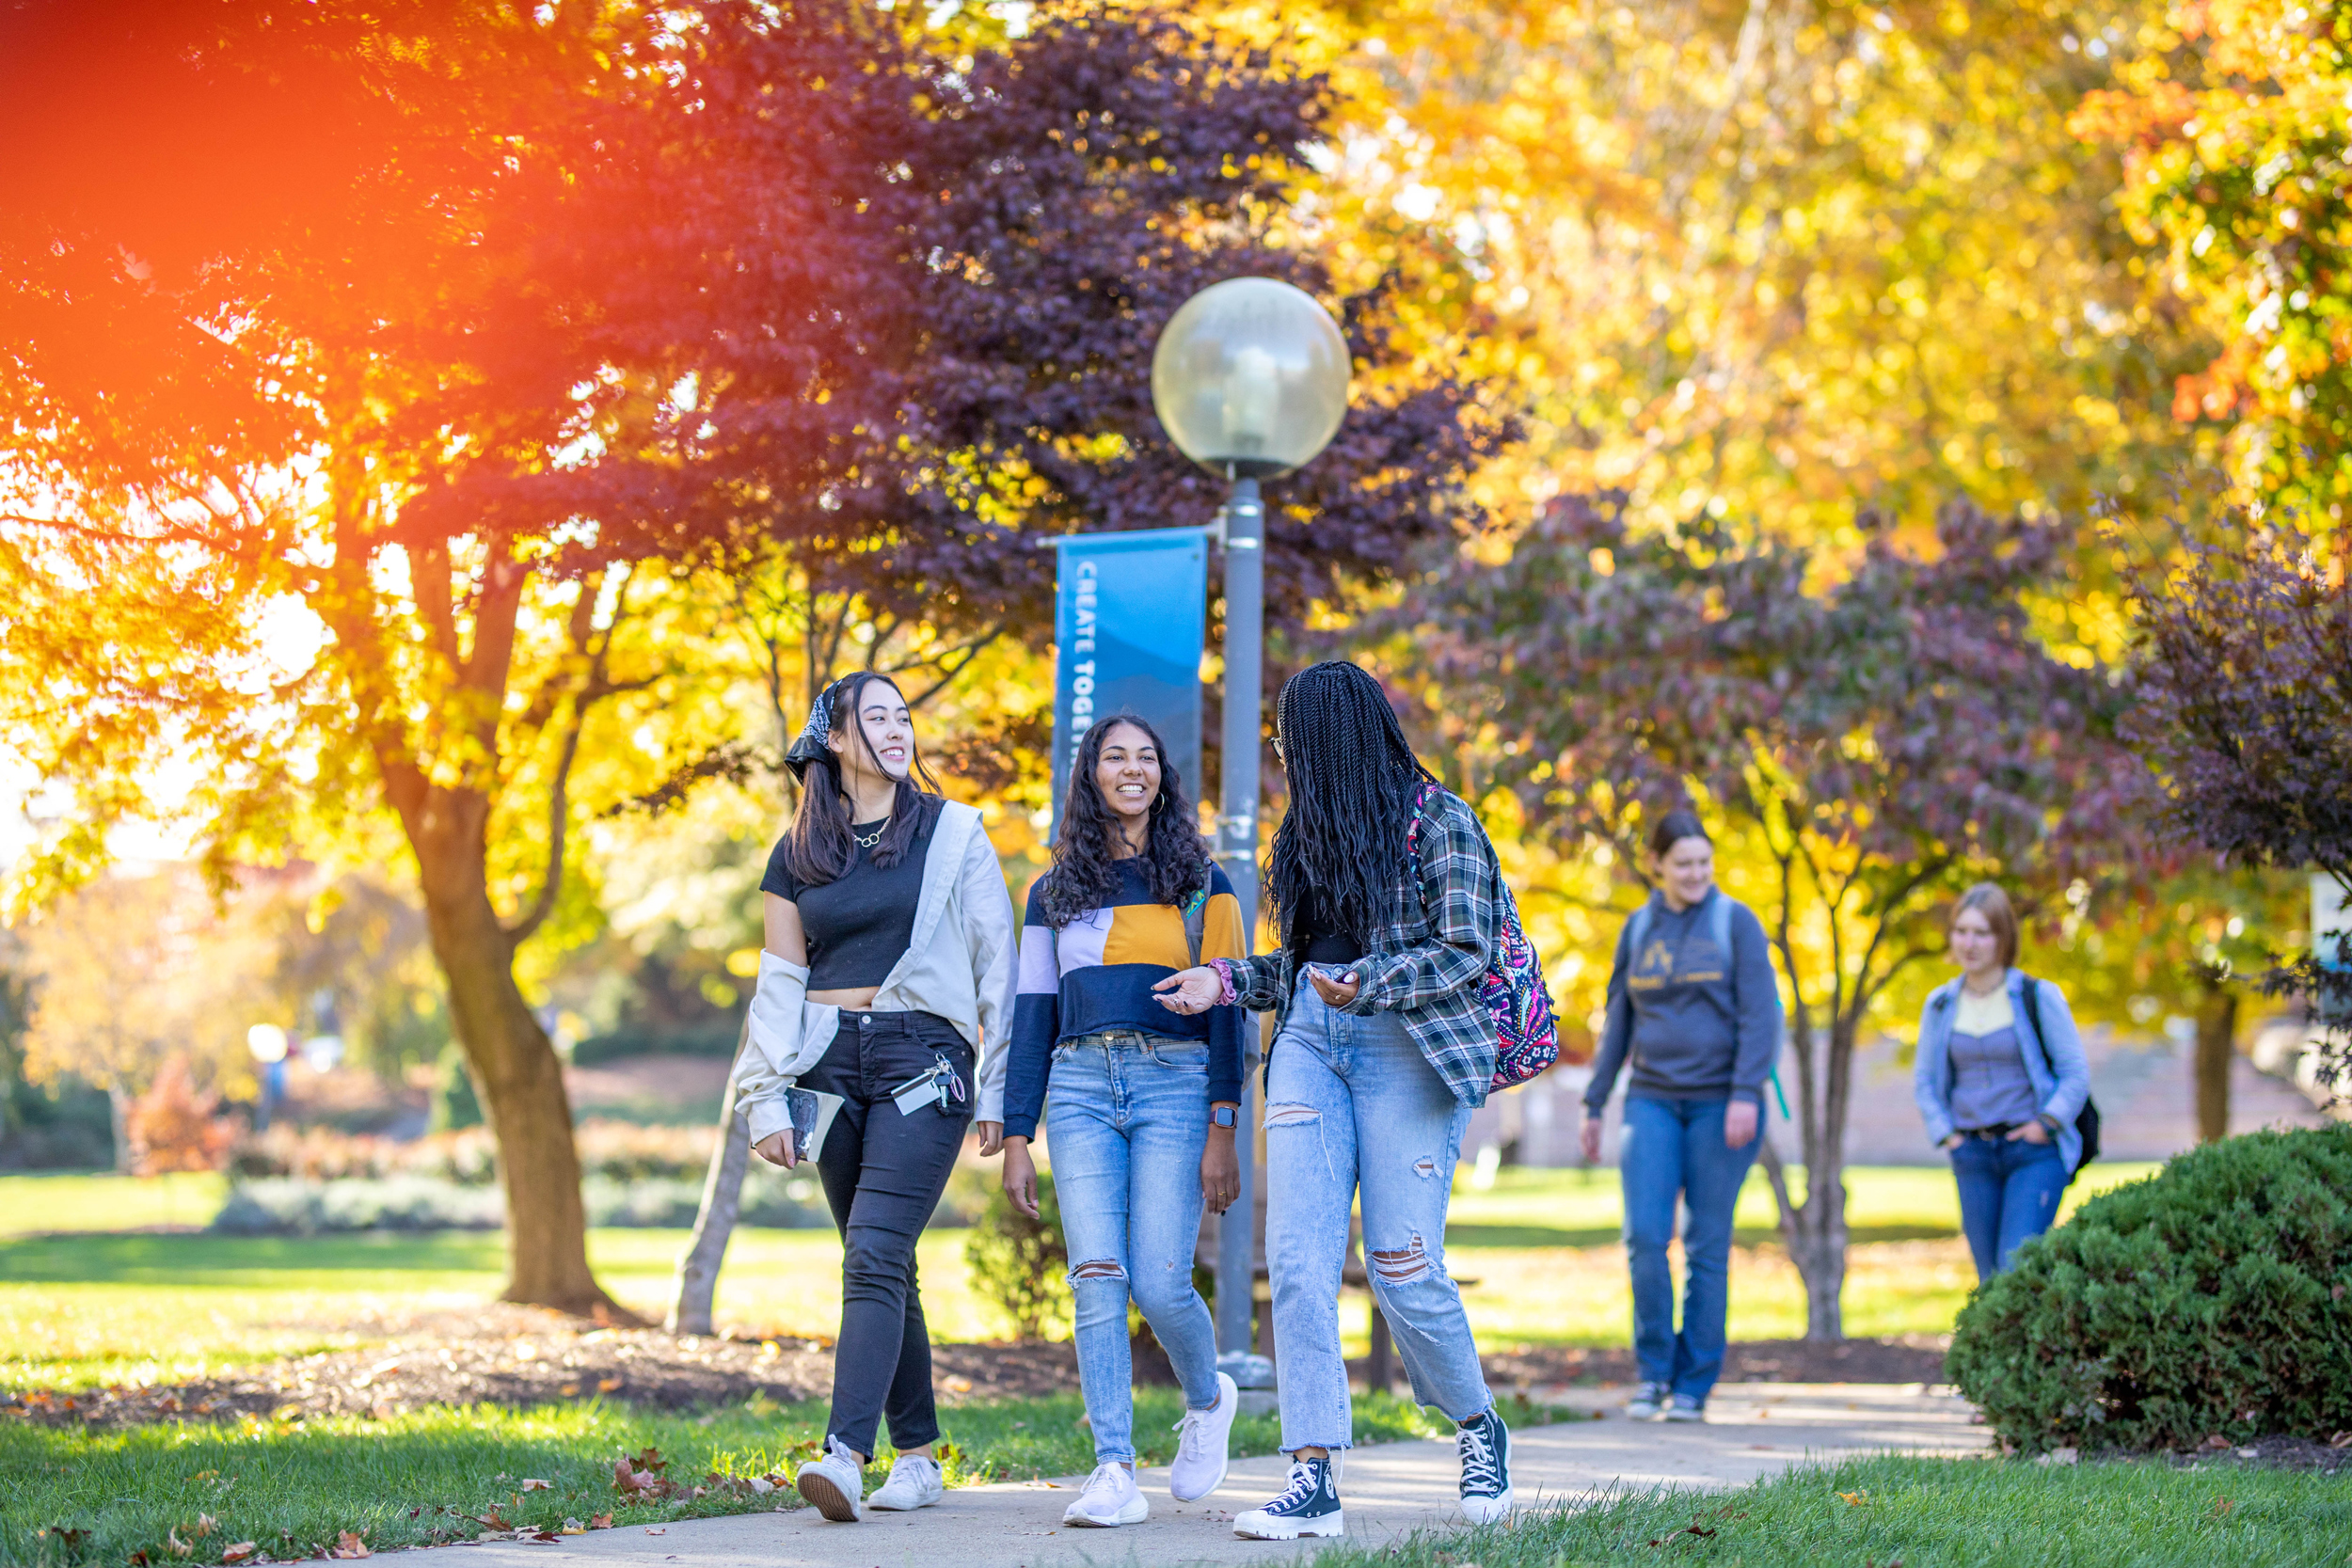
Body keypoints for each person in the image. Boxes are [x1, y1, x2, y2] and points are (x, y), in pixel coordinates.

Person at [1155, 659, 1517, 1541]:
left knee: (1400, 1261)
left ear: (1336, 740)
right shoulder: (1307, 834)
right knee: (1302, 1263)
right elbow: (1301, 967)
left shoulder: (1441, 823)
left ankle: (1477, 1424)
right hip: (1314, 1039)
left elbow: (1468, 947)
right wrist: (1228, 980)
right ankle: (1312, 1476)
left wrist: (1373, 980)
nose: (1284, 755)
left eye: (1293, 740)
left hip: (1408, 1042)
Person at [737, 672, 1017, 1523]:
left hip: (923, 1061)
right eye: (876, 717)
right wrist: (763, 1096)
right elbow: (779, 981)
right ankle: (921, 1456)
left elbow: (998, 966)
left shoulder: (953, 831)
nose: (898, 730)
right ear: (837, 740)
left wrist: (1002, 1090)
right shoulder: (797, 852)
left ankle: (844, 1453)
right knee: (884, 1261)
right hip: (826, 1064)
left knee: (871, 1253)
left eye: (903, 716)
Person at [1000, 714, 1247, 1528]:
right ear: (1091, 774)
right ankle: (1113, 1467)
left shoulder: (1203, 884)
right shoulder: (1051, 893)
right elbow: (1032, 1013)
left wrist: (1222, 1126)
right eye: (1115, 756)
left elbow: (1230, 1019)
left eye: (1146, 756)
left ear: (1162, 779)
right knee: (1097, 1273)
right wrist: (1015, 1133)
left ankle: (1208, 1398)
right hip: (1077, 1084)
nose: (1131, 768)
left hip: (1175, 1084)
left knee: (1159, 1279)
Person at [1579, 810, 1780, 1424]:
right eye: (1684, 862)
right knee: (1644, 1236)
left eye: (1704, 863)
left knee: (1706, 1244)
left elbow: (1760, 1014)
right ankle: (1654, 1370)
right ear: (1658, 864)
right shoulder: (1639, 928)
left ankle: (1694, 1382)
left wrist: (1746, 1091)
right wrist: (1595, 1100)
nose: (1696, 873)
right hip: (1652, 1099)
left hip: (1723, 1104)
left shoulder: (1734, 922)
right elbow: (1620, 1020)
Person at [1913, 881, 2090, 1279]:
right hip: (1971, 1153)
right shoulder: (1940, 1005)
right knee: (1989, 1279)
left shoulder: (2037, 995)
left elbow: (2075, 1074)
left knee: (2016, 1270)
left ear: (2003, 938)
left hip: (2032, 1152)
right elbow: (1924, 1081)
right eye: (1961, 931)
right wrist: (1948, 1136)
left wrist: (2046, 1125)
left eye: (1982, 933)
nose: (1969, 943)